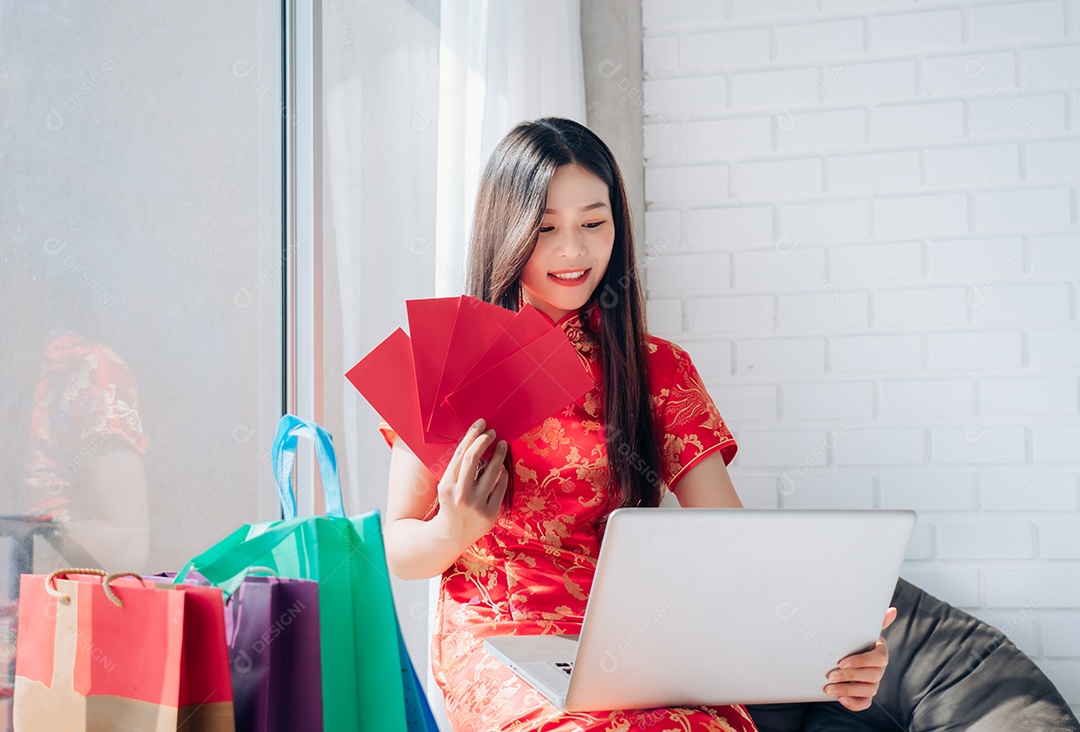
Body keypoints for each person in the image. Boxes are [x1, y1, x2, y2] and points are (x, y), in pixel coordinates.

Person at [381, 117, 892, 732]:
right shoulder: (448, 360)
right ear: (506, 231)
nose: (573, 251)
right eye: (546, 228)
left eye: (593, 223)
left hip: (639, 644)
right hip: (502, 640)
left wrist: (830, 646)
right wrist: (453, 530)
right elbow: (400, 547)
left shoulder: (659, 369)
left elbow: (734, 548)